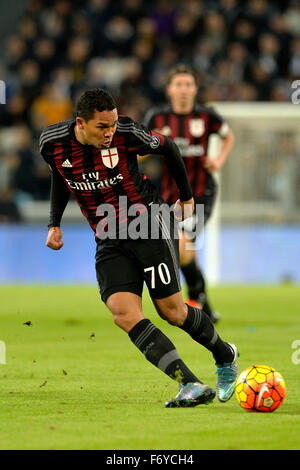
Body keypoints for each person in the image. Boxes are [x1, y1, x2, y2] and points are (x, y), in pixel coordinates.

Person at [40, 88, 238, 408]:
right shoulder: (52, 143)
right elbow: (62, 177)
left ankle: (225, 354)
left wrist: (187, 198)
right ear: (81, 123)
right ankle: (189, 384)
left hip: (148, 223)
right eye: (102, 127)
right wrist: (54, 223)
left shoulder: (127, 133)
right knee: (123, 314)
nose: (110, 132)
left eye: (113, 124)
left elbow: (169, 147)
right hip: (107, 234)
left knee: (172, 312)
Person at [143, 65, 235, 324]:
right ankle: (203, 302)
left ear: (195, 89)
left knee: (182, 243)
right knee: (184, 252)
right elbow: (140, 149)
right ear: (169, 89)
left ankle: (197, 303)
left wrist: (218, 160)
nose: (183, 89)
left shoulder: (208, 116)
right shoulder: (157, 117)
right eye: (178, 84)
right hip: (168, 195)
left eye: (188, 84)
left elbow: (229, 137)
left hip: (200, 194)